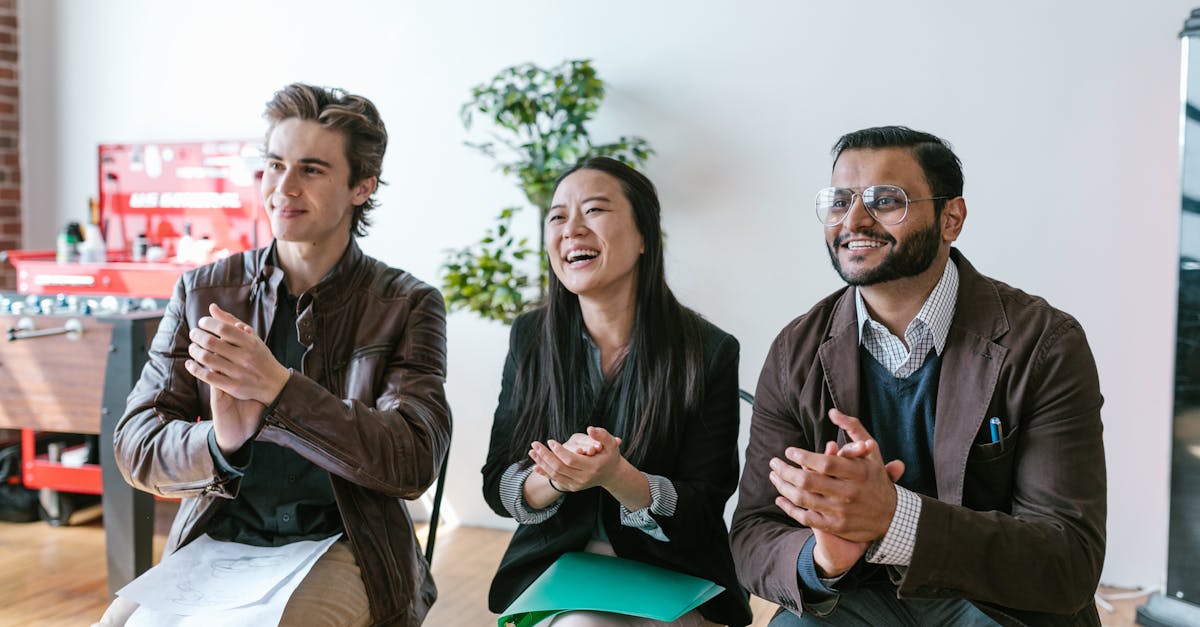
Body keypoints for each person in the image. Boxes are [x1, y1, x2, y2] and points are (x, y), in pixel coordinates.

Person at [97, 83, 451, 626]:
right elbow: (134, 442)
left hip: (344, 541)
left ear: (362, 187)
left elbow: (414, 458)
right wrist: (219, 442)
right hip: (220, 536)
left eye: (311, 170)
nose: (283, 188)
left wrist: (281, 391)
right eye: (274, 164)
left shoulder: (407, 303)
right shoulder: (203, 291)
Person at [730, 126, 1106, 626]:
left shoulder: (1043, 343)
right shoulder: (794, 350)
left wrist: (894, 519)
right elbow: (754, 531)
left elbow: (1068, 557)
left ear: (951, 218)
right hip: (857, 595)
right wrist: (822, 559)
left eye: (886, 201)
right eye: (839, 201)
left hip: (998, 603)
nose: (854, 220)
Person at [482, 157, 753, 627]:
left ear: (645, 236)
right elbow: (497, 484)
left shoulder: (708, 351)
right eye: (557, 216)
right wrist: (554, 479)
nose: (571, 229)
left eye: (594, 210)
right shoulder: (530, 338)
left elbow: (704, 506)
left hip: (672, 576)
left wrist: (619, 476)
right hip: (556, 574)